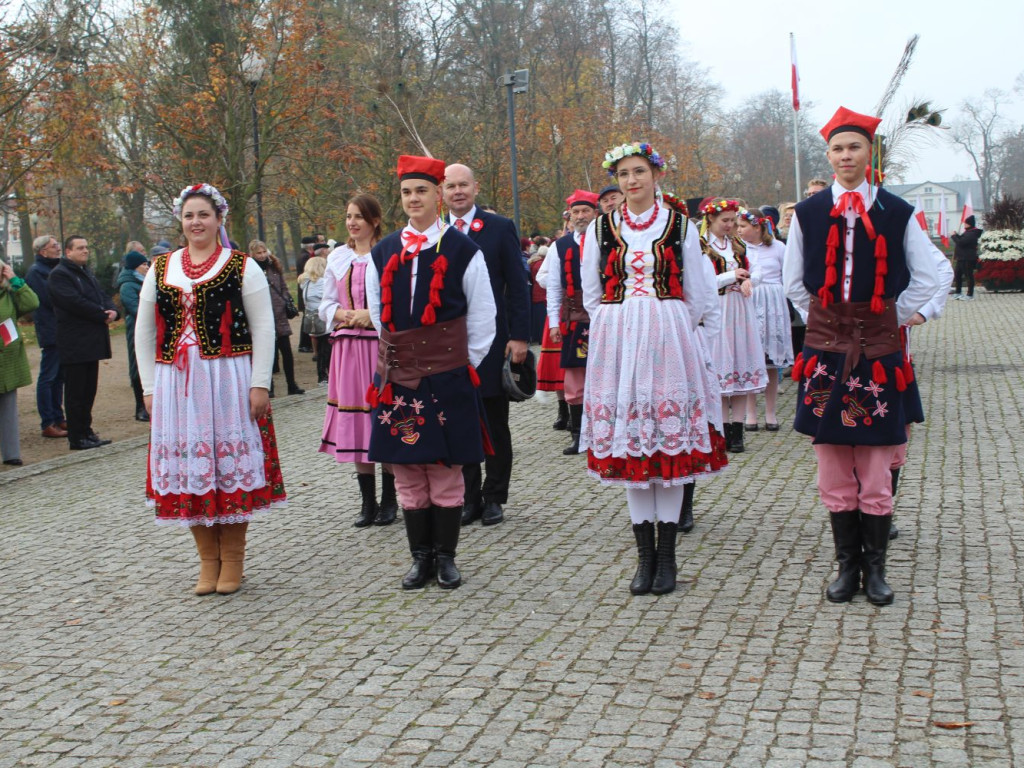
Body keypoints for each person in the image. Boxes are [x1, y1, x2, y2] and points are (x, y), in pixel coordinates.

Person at [783, 106, 939, 606]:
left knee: (875, 464)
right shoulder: (807, 214)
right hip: (826, 354)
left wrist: (892, 316)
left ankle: (875, 571)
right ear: (827, 155)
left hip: (879, 353)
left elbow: (931, 276)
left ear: (870, 153)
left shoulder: (897, 211)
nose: (845, 156)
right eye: (837, 148)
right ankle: (845, 568)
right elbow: (790, 281)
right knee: (832, 463)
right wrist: (826, 322)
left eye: (854, 147)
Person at [581, 142, 726, 596]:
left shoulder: (679, 224)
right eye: (623, 174)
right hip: (619, 336)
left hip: (667, 332)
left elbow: (699, 291)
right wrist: (615, 321)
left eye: (639, 171)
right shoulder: (601, 228)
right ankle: (644, 560)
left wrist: (672, 322)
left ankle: (667, 560)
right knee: (632, 449)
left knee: (666, 443)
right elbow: (589, 289)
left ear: (655, 175)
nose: (631, 181)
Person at [135, 183, 285, 596]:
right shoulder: (163, 267)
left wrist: (259, 383)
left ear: (219, 219)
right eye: (189, 216)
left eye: (203, 215)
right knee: (191, 471)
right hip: (176, 384)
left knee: (228, 466)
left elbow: (265, 327)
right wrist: (149, 387)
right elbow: (144, 332)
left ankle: (233, 559)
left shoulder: (241, 266)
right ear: (181, 223)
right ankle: (208, 561)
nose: (196, 222)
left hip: (227, 377)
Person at [365, 154, 496, 590]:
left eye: (422, 190)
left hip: (448, 376)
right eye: (406, 192)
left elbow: (483, 318)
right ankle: (419, 558)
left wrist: (459, 366)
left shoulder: (463, 249)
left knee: (444, 470)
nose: (414, 199)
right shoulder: (382, 251)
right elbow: (377, 315)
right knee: (406, 469)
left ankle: (446, 558)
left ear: (438, 195)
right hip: (399, 377)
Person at [443, 163, 530, 527]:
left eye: (464, 185)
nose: (458, 191)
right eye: (451, 186)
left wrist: (520, 336)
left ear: (475, 188)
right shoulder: (435, 232)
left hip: (494, 341)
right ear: (441, 192)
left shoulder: (498, 228)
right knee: (459, 422)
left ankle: (494, 496)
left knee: (495, 423)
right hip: (447, 345)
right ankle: (468, 496)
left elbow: (517, 284)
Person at [319, 193, 398, 527]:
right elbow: (324, 303)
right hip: (348, 350)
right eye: (348, 216)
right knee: (356, 424)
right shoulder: (338, 258)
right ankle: (368, 501)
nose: (351, 223)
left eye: (359, 217)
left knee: (382, 418)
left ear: (374, 221)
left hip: (379, 348)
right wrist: (342, 313)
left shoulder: (387, 253)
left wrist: (372, 315)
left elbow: (396, 300)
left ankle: (391, 499)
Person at [700, 198, 767, 452]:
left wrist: (750, 279)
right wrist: (731, 276)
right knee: (718, 368)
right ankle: (720, 429)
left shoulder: (739, 246)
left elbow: (758, 270)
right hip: (717, 310)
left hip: (740, 310)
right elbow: (700, 280)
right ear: (711, 220)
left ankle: (736, 431)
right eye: (725, 221)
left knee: (740, 366)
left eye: (733, 221)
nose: (730, 226)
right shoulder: (701, 246)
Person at [48, 236, 119, 450]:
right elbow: (74, 302)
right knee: (76, 392)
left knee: (89, 390)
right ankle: (77, 436)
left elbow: (101, 295)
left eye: (87, 247)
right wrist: (100, 314)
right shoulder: (60, 275)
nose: (85, 251)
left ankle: (87, 431)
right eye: (80, 248)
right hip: (75, 341)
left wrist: (112, 310)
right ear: (68, 252)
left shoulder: (86, 272)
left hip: (91, 341)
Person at [545, 189, 599, 456]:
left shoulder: (608, 239)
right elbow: (554, 287)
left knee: (604, 375)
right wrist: (554, 322)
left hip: (604, 318)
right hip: (574, 320)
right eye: (576, 212)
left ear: (595, 213)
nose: (580, 216)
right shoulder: (560, 246)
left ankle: (604, 433)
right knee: (575, 379)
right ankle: (579, 436)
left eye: (585, 211)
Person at [738, 208, 793, 431]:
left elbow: (788, 274)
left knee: (771, 360)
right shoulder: (739, 249)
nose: (739, 230)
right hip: (749, 300)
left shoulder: (778, 247)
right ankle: (751, 413)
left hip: (773, 303)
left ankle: (770, 412)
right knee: (751, 358)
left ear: (757, 226)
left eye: (743, 226)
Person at [249, 240, 304, 397]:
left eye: (264, 251)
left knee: (286, 352)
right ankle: (269, 387)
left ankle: (292, 384)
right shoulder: (251, 270)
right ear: (253, 254)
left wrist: (285, 300)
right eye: (258, 253)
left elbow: (283, 287)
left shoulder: (274, 266)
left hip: (279, 316)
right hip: (262, 317)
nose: (262, 255)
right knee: (268, 354)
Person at [24, 235, 66, 438]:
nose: (58, 248)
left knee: (59, 377)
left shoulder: (53, 268)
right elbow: (48, 299)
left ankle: (58, 417)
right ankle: (47, 422)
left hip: (60, 327)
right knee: (48, 376)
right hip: (50, 328)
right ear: (43, 251)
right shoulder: (36, 272)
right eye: (54, 246)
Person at [0, 259, 40, 466]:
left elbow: (32, 303)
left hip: (8, 359)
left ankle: (11, 453)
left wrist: (15, 280)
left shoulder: (9, 294)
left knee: (8, 408)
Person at [117, 251, 151, 422]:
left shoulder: (145, 282)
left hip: (150, 329)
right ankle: (140, 407)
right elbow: (135, 308)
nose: (146, 267)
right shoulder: (128, 285)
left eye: (147, 264)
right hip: (135, 330)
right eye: (143, 265)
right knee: (137, 367)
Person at [298, 254, 329, 384]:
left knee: (321, 348)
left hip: (312, 318)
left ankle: (321, 375)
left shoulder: (305, 283)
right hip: (323, 318)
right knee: (327, 349)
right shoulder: (322, 283)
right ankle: (325, 375)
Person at [951, 215, 983, 301]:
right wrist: (957, 235)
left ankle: (970, 294)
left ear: (969, 224)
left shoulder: (972, 233)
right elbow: (961, 239)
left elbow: (961, 242)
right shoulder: (967, 232)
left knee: (968, 276)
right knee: (957, 275)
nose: (964, 224)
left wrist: (954, 236)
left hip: (968, 258)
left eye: (966, 223)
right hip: (961, 258)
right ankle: (958, 292)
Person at [295, 236, 317, 353]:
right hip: (306, 289)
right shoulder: (306, 257)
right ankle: (304, 344)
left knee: (307, 317)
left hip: (304, 288)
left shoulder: (302, 255)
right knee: (307, 318)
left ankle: (305, 344)